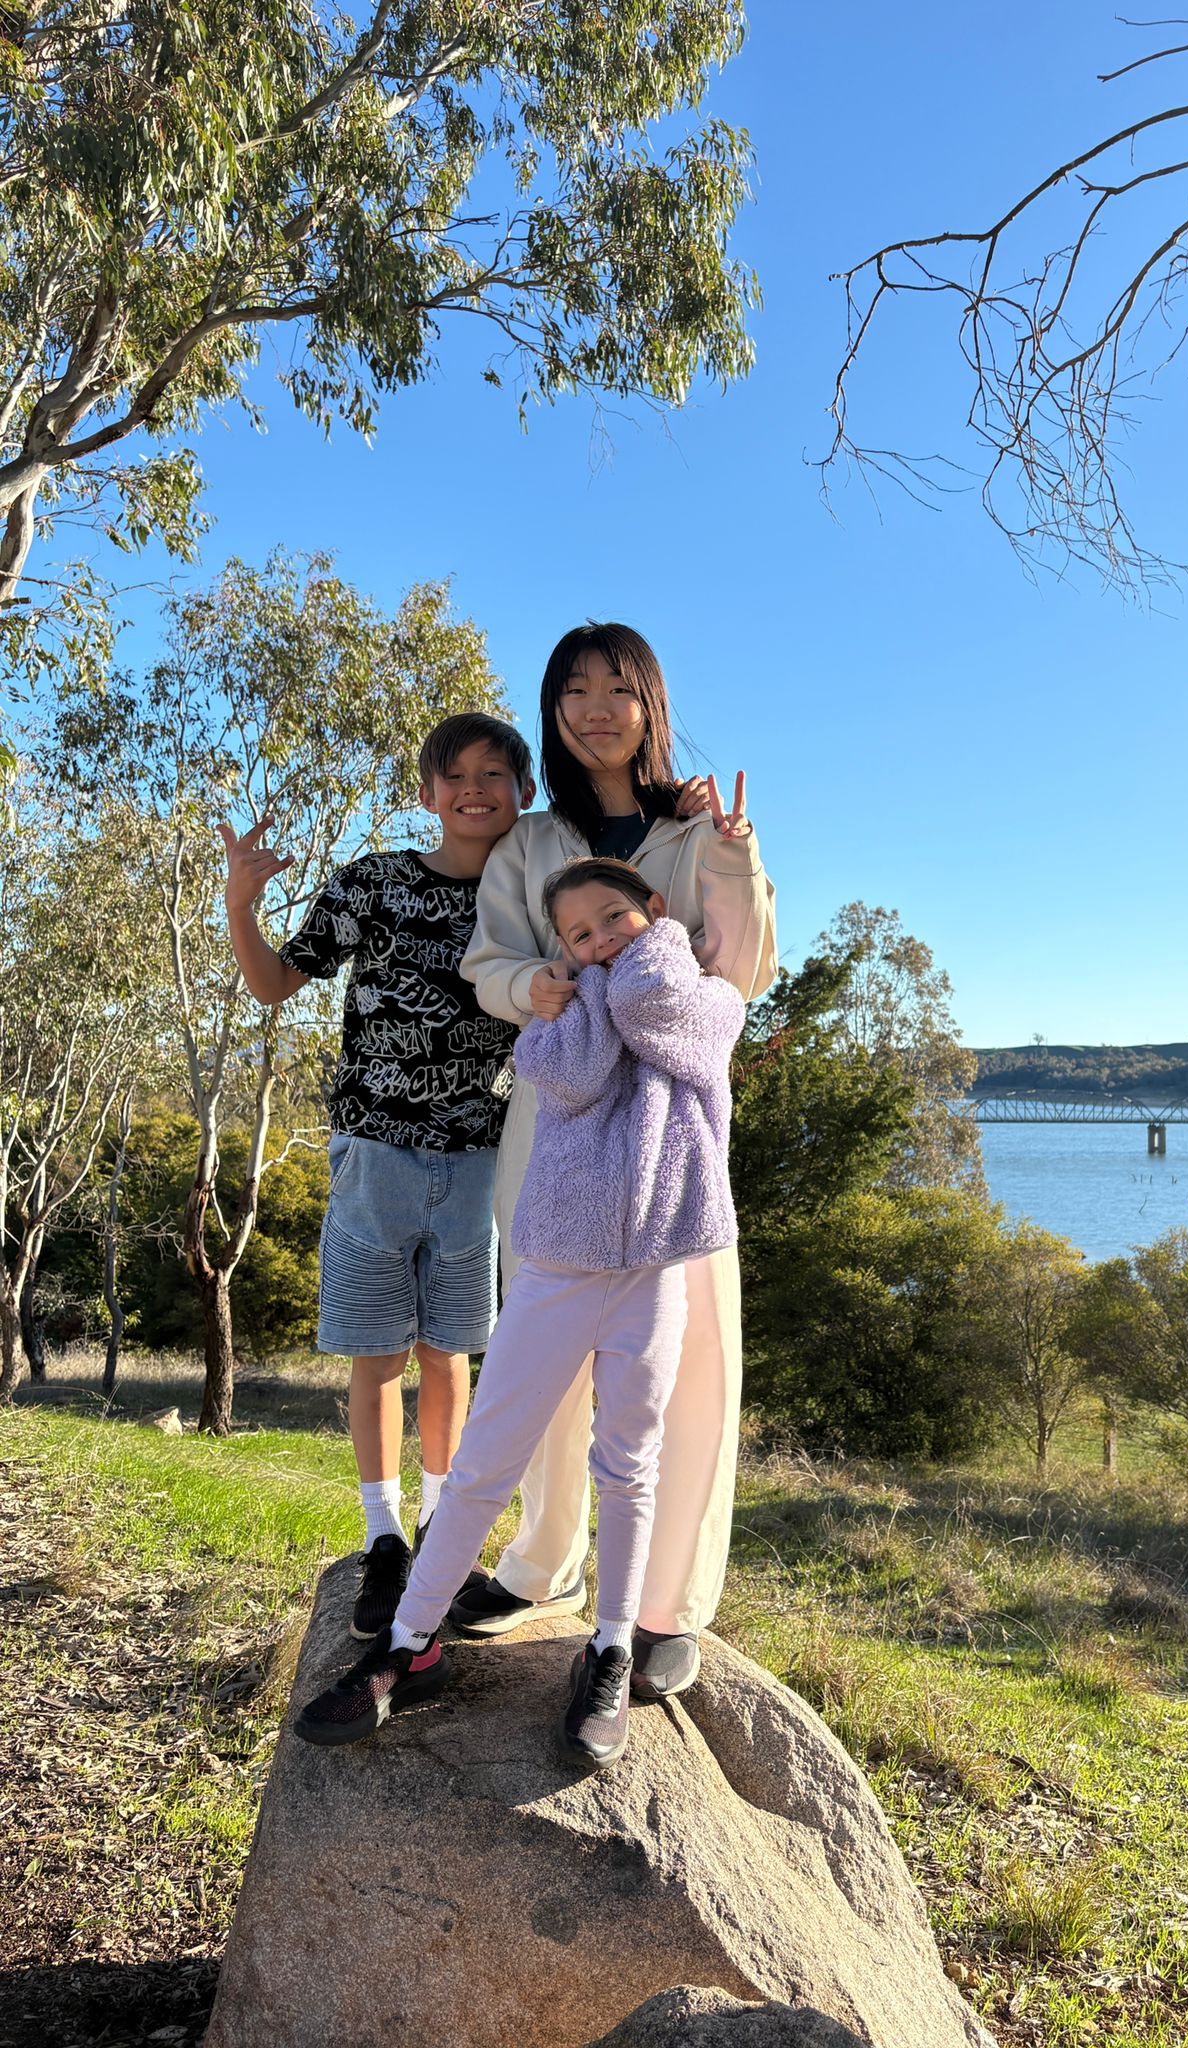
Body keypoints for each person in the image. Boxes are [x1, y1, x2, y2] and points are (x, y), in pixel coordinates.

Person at [295, 861, 745, 1767]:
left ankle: (609, 1648)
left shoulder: (710, 997)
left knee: (630, 1465)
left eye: (615, 918)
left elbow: (672, 1021)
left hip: (655, 1270)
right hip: (558, 1269)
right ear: (561, 950)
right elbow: (568, 1074)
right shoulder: (564, 1019)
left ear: (655, 911)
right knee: (486, 1461)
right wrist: (589, 988)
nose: (600, 940)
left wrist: (633, 966)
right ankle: (409, 1644)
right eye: (579, 935)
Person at [450, 624, 776, 1703]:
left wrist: (732, 854)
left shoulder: (698, 831)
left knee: (692, 1362)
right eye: (574, 690)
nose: (597, 708)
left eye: (618, 688)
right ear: (553, 711)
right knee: (542, 1349)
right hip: (557, 1121)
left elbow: (745, 971)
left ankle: (666, 1605)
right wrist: (528, 987)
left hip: (675, 1135)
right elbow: (489, 959)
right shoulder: (529, 842)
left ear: (650, 704)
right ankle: (541, 1561)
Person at [219, 713, 536, 1640]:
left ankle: (443, 1528)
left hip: (480, 1160)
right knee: (378, 1357)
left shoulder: (531, 893)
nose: (473, 788)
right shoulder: (375, 881)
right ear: (427, 793)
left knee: (450, 1353)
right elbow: (276, 983)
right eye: (454, 774)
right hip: (376, 1155)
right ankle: (384, 1537)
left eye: (494, 773)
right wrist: (240, 904)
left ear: (523, 791)